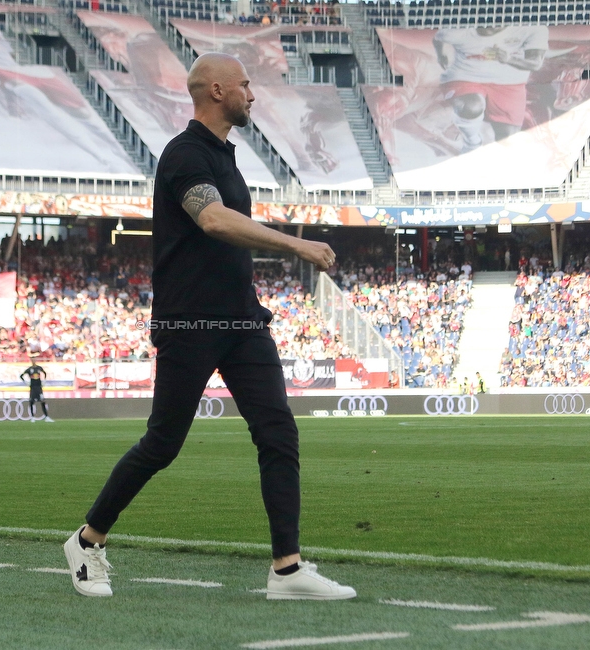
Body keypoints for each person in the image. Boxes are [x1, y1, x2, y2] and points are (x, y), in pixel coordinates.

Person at [63, 52, 355, 601]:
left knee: (278, 433)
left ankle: (287, 571)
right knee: (163, 443)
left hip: (243, 320)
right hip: (189, 320)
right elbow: (214, 219)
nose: (253, 94)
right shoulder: (184, 154)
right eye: (246, 85)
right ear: (217, 90)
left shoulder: (225, 155)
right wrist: (296, 244)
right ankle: (87, 540)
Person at [433, 26, 548, 153]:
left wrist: (509, 59)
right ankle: (472, 143)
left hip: (510, 82)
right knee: (471, 106)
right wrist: (441, 55)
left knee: (507, 140)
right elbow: (438, 38)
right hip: (466, 75)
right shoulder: (457, 31)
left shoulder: (531, 29)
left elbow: (535, 63)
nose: (491, 26)